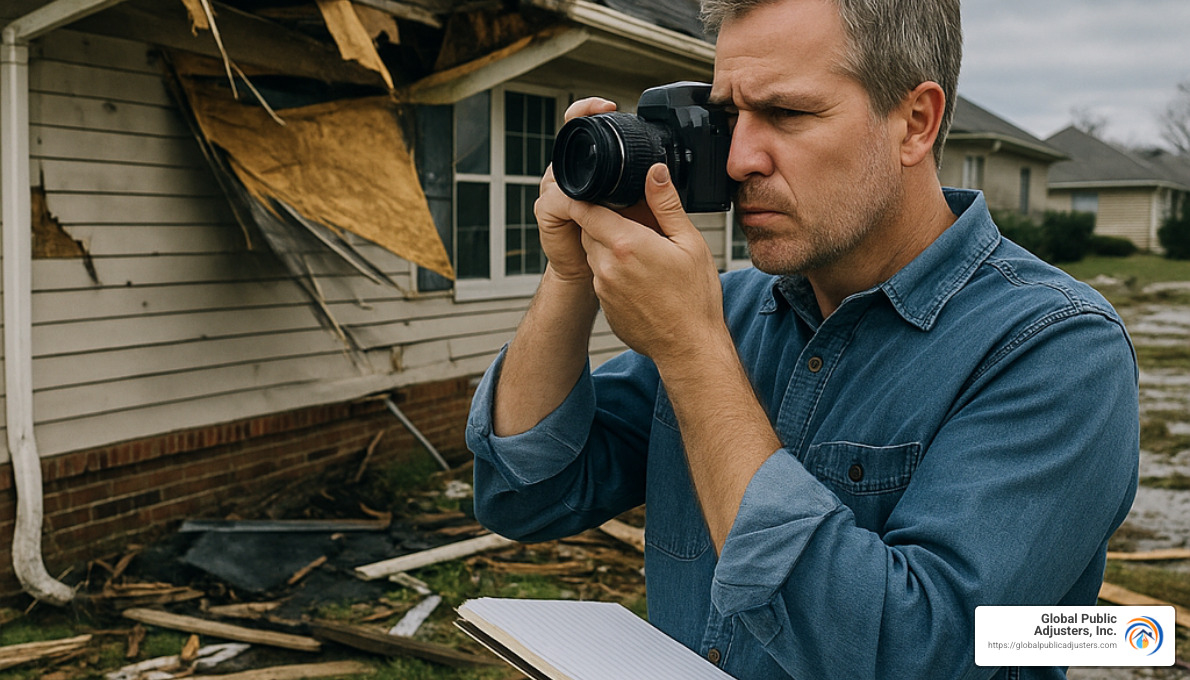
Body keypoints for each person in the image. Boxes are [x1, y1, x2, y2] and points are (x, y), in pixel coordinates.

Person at [465, 0, 1139, 677]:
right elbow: (525, 492)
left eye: (786, 114)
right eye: (729, 116)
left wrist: (695, 355)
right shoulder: (726, 309)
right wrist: (570, 271)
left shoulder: (1057, 349)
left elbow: (917, 651)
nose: (737, 159)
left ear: (915, 123)